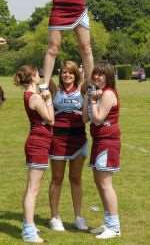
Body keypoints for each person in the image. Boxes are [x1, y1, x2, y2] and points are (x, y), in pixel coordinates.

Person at [14, 65, 54, 243]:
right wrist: (49, 99)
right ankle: (29, 232)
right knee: (33, 189)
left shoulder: (29, 95)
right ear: (32, 77)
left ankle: (28, 225)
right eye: (38, 74)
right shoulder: (36, 97)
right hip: (38, 143)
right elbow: (50, 118)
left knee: (32, 188)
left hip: (37, 142)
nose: (40, 76)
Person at [48, 60, 88, 231]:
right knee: (57, 179)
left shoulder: (83, 90)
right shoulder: (54, 90)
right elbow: (46, 72)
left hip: (78, 140)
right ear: (60, 74)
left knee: (76, 178)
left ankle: (78, 217)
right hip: (58, 139)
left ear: (76, 74)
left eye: (70, 72)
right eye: (64, 72)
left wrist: (85, 51)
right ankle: (55, 217)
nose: (67, 75)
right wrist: (51, 51)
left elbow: (89, 64)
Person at [83, 62, 121, 239]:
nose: (96, 77)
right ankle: (108, 223)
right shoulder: (99, 93)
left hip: (107, 142)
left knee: (106, 185)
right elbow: (85, 118)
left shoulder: (107, 94)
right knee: (100, 184)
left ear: (108, 76)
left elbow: (97, 119)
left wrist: (92, 100)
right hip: (99, 142)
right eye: (95, 74)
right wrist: (88, 97)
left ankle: (114, 227)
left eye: (101, 74)